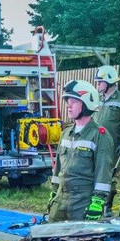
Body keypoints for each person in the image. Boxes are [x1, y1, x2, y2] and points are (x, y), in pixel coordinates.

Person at [47, 80, 115, 222]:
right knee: (50, 233)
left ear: (86, 104)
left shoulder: (100, 135)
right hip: (60, 200)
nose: (69, 106)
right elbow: (58, 168)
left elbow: (103, 172)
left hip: (82, 202)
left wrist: (97, 202)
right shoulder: (66, 134)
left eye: (74, 101)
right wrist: (54, 192)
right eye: (68, 101)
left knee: (80, 236)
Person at [93, 65, 120, 156]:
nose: (97, 84)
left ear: (109, 81)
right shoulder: (97, 98)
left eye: (100, 82)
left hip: (112, 147)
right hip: (94, 145)